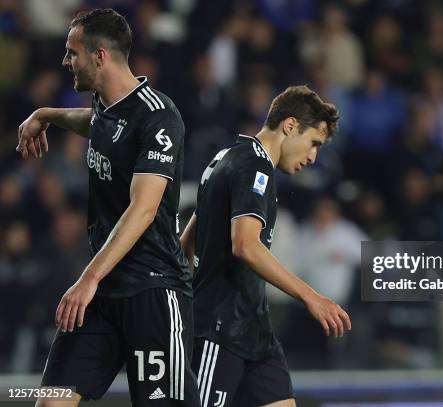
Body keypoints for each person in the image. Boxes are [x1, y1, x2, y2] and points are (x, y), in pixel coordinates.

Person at [16, 9, 199, 406]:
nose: (66, 61)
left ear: (100, 56)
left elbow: (144, 209)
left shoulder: (159, 117)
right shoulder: (105, 106)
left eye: (72, 52)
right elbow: (96, 123)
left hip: (151, 289)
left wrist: (88, 279)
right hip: (102, 293)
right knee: (51, 402)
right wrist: (45, 115)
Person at [180, 85, 352, 407]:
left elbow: (187, 241)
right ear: (289, 126)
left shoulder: (226, 157)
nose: (314, 156)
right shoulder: (254, 166)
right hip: (220, 330)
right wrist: (311, 297)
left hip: (254, 332)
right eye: (314, 143)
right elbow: (245, 244)